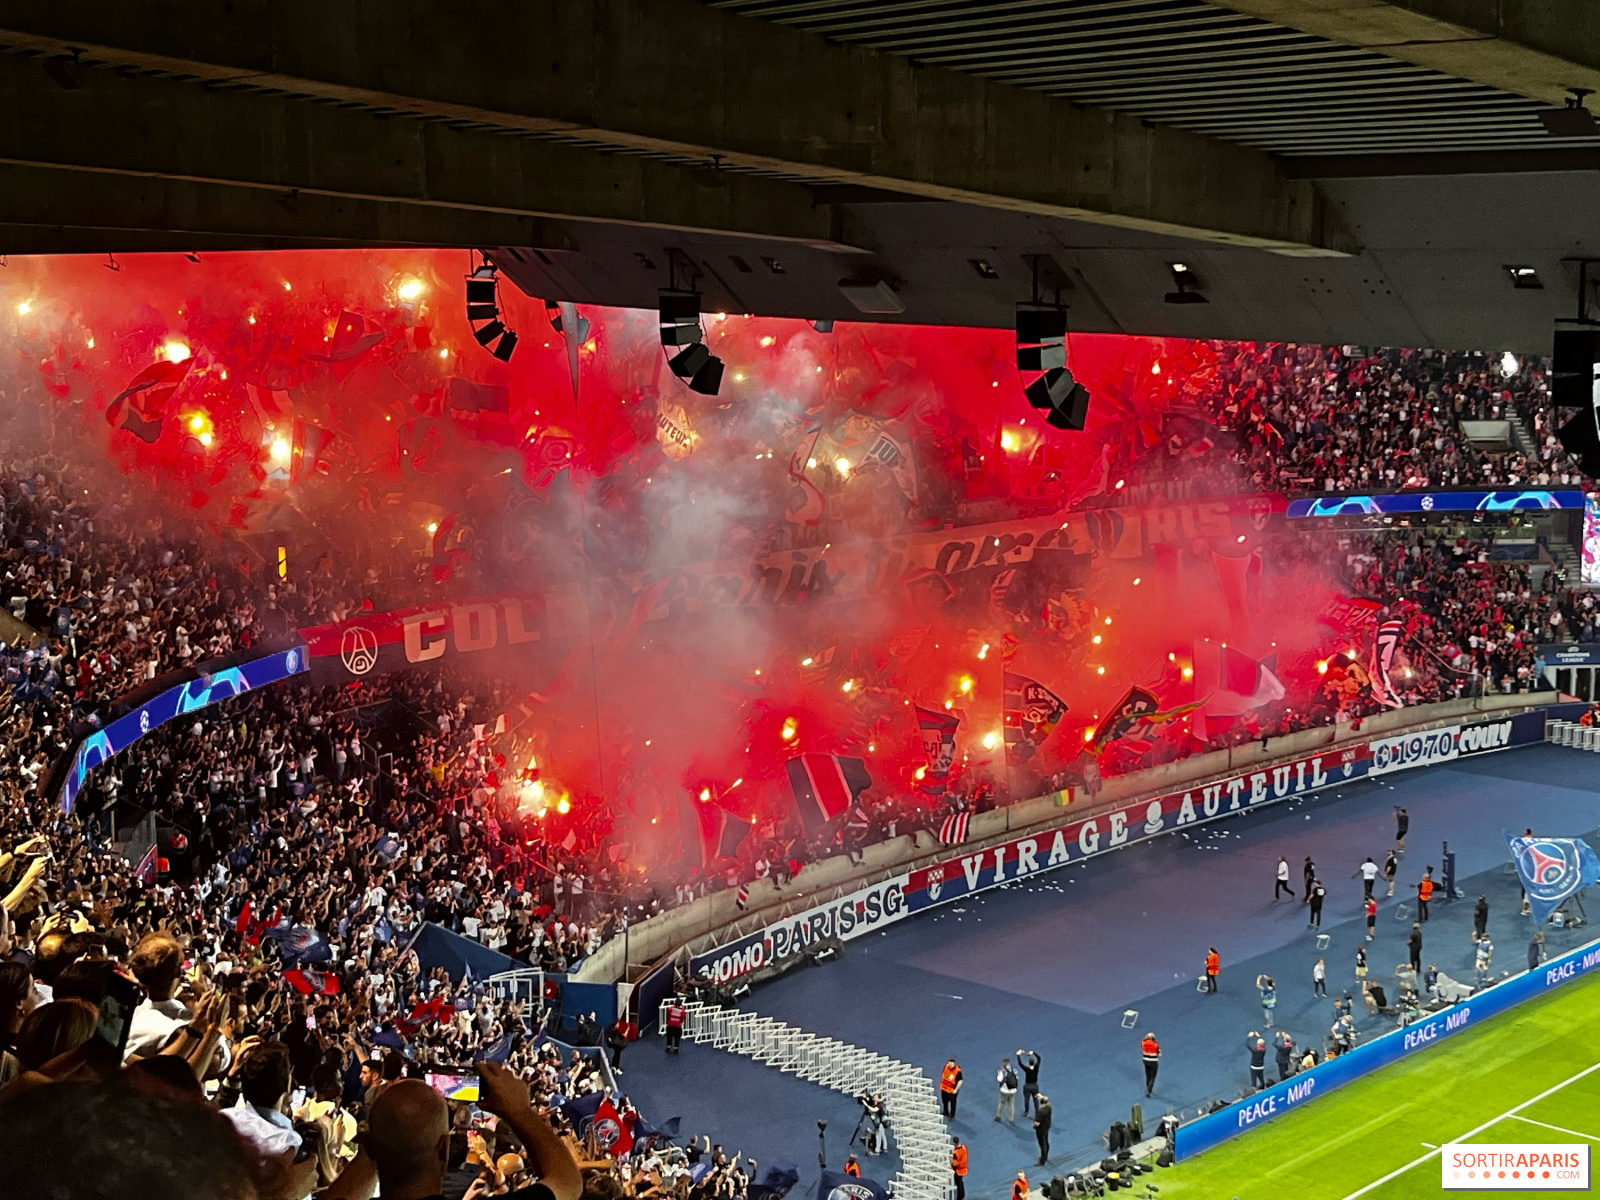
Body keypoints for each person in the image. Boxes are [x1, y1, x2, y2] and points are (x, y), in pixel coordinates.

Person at [1017, 1048, 1042, 1116]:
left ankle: (1026, 1112)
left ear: (1029, 1063)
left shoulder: (1027, 1069)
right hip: (1034, 1086)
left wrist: (1018, 1055)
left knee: (1026, 1099)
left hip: (1027, 1086)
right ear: (1034, 1063)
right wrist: (1033, 1052)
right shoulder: (1036, 1067)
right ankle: (1037, 1113)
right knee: (1036, 1100)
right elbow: (1039, 1058)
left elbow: (1020, 1063)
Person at [995, 1057, 1018, 1123]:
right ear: (1009, 1063)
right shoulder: (1014, 1070)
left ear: (1003, 1063)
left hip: (1004, 1091)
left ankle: (998, 1116)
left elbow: (999, 1080)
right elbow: (1016, 1078)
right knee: (1011, 1105)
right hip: (1013, 1090)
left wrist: (999, 1073)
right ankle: (1011, 1119)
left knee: (1002, 1103)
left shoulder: (1003, 1071)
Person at [1032, 1093, 1052, 1164]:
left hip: (1040, 1129)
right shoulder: (1049, 1107)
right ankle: (1045, 1156)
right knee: (1046, 1142)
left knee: (1042, 1144)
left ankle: (1042, 1160)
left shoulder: (1041, 1111)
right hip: (1047, 1126)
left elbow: (1037, 1123)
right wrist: (1041, 1097)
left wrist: (1034, 1126)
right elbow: (1046, 1100)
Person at [1141, 1032, 1160, 1097]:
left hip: (1146, 1061)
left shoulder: (1143, 1043)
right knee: (1153, 1076)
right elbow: (1159, 1053)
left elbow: (1143, 1041)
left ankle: (1147, 1086)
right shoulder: (1155, 1044)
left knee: (1148, 1075)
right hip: (1153, 1062)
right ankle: (1149, 1090)